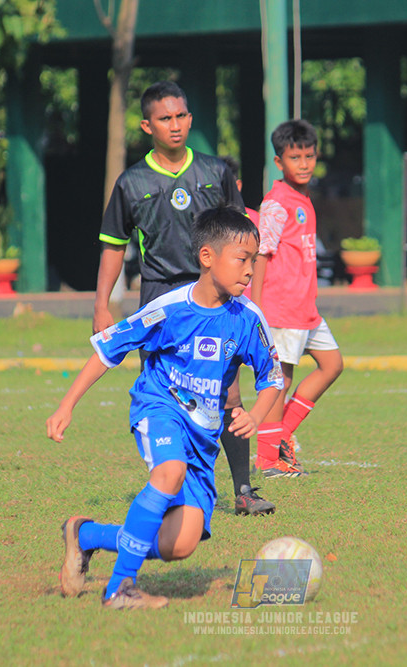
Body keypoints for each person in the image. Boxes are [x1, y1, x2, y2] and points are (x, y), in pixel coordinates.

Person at [49, 206, 283, 609]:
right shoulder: (169, 308)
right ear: (207, 257)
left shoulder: (247, 318)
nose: (250, 270)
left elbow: (272, 377)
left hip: (203, 438)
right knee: (168, 471)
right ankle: (120, 588)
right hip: (160, 407)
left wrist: (256, 415)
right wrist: (67, 404)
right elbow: (109, 349)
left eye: (254, 260)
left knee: (180, 544)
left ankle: (85, 536)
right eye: (242, 259)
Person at [93, 81, 273, 516]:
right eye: (164, 118)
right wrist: (102, 304)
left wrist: (255, 297)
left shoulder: (215, 171)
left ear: (190, 118)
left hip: (215, 293)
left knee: (226, 390)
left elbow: (244, 237)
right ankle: (172, 482)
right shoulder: (132, 182)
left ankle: (244, 490)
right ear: (146, 125)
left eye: (181, 116)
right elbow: (114, 246)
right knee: (170, 391)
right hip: (161, 296)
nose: (175, 125)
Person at [248, 119, 344, 478]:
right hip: (280, 307)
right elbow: (261, 254)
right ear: (279, 162)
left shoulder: (303, 199)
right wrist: (255, 308)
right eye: (295, 157)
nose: (303, 163)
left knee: (333, 364)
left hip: (306, 309)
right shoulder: (276, 204)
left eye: (309, 156)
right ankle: (269, 461)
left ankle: (282, 435)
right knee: (280, 380)